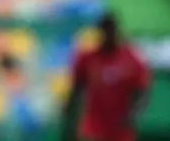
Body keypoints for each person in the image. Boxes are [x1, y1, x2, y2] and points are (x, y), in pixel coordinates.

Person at [63, 13, 150, 141]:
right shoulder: (87, 59)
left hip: (120, 128)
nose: (109, 35)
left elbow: (142, 92)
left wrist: (134, 114)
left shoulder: (132, 60)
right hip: (94, 127)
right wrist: (69, 113)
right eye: (105, 30)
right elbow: (77, 89)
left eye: (112, 30)